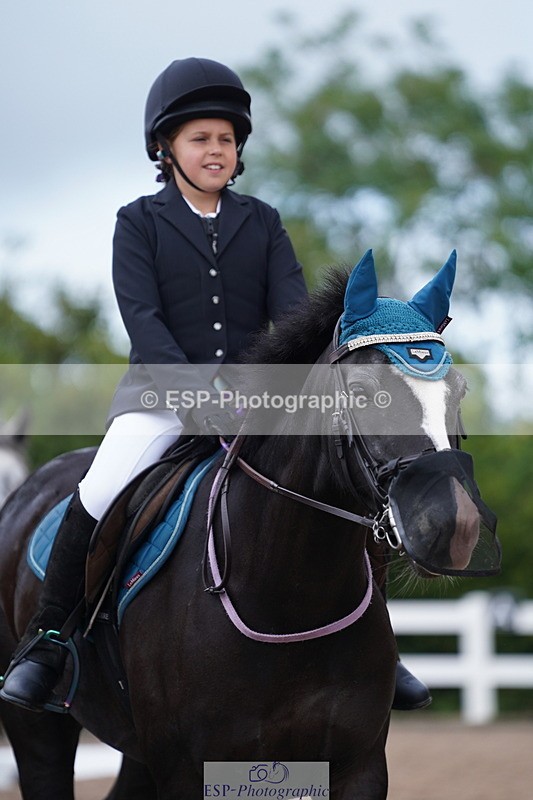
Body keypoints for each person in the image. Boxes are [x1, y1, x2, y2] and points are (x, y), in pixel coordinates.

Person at [0, 57, 429, 714]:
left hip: (255, 403)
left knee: (338, 483)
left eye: (226, 139)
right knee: (98, 489)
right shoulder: (137, 222)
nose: (216, 150)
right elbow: (144, 324)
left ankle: (379, 650)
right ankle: (50, 640)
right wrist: (199, 397)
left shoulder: (262, 222)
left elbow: (296, 320)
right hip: (159, 401)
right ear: (164, 147)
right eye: (200, 138)